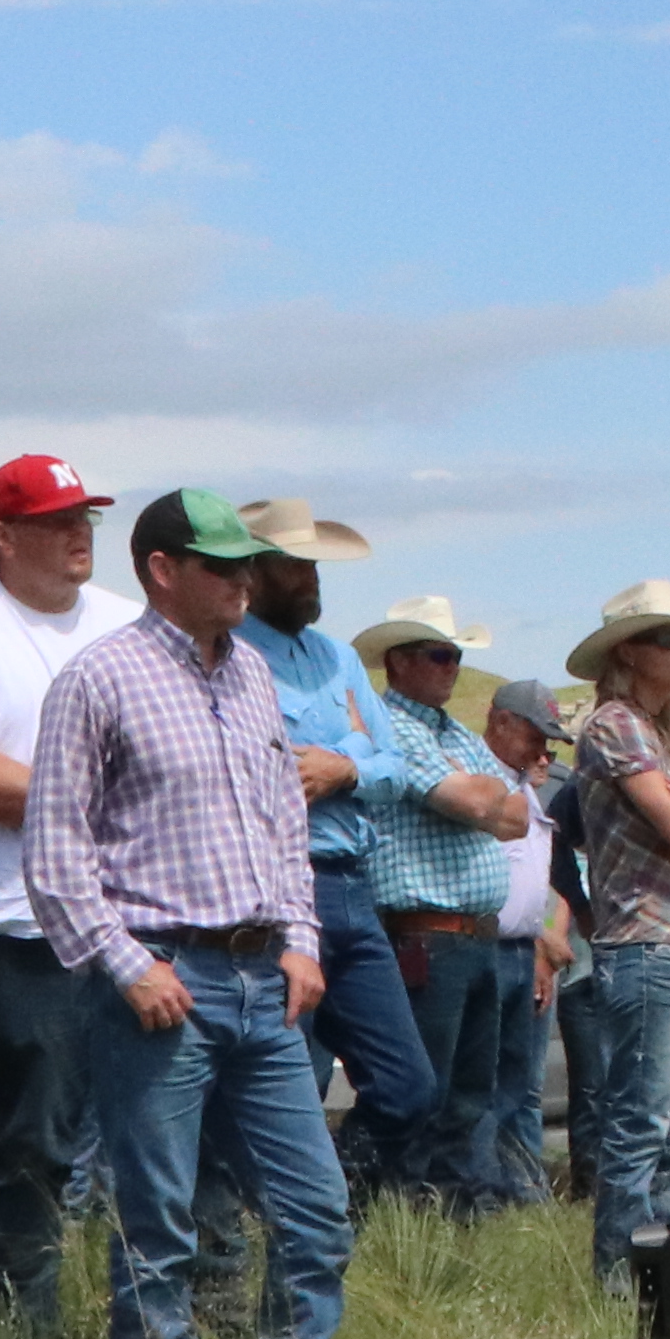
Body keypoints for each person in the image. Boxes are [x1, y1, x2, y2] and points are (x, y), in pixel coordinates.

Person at [33, 489, 357, 1339]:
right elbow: (56, 852)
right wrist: (129, 966)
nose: (243, 582)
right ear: (161, 569)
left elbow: (283, 824)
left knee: (316, 1210)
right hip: (166, 980)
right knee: (158, 1221)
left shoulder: (254, 674)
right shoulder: (99, 679)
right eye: (221, 566)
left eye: (247, 565)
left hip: (266, 978)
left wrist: (302, 935)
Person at [0, 458, 136, 1339]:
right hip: (18, 916)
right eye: (53, 520)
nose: (78, 533)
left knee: (150, 1135)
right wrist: (121, 800)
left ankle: (149, 1322)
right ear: (1, 538)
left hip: (132, 912)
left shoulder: (128, 623)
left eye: (86, 517)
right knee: (39, 1132)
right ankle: (20, 1329)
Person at [224, 501, 448, 1208]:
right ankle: (286, 1223)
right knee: (291, 1081)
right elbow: (269, 770)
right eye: (295, 563)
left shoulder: (337, 656)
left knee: (409, 1086)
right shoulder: (233, 656)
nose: (311, 578)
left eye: (313, 562)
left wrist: (346, 764)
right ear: (253, 572)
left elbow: (394, 770)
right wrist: (356, 749)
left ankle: (330, 1195)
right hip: (284, 888)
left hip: (353, 889)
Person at [337, 598, 542, 1222]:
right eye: (439, 654)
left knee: (469, 1096)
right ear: (398, 661)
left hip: (472, 937)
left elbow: (514, 814)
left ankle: (446, 1218)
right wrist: (482, 795)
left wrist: (484, 796)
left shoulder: (452, 734)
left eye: (455, 655)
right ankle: (377, 1208)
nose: (452, 666)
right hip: (425, 933)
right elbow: (477, 802)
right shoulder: (392, 725)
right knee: (419, 1091)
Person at [558, 580, 670, 1281]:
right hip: (646, 944)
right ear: (629, 651)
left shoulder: (661, 730)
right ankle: (619, 1278)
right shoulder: (615, 724)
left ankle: (659, 1273)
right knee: (641, 1119)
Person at [477, 676, 571, 1204]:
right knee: (486, 1084)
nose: (544, 749)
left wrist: (540, 941)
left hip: (521, 948)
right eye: (536, 734)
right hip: (487, 947)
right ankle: (489, 1194)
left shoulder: (526, 788)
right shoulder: (480, 785)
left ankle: (521, 1191)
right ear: (502, 723)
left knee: (520, 1086)